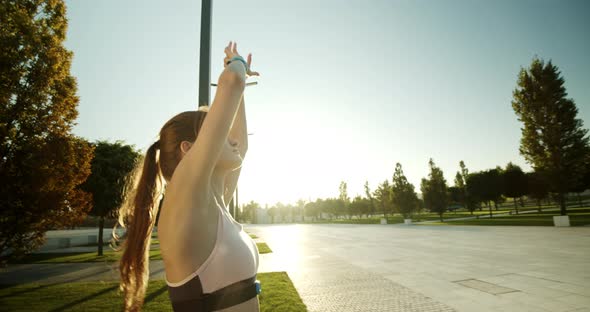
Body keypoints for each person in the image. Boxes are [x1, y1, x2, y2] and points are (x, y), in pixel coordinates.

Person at [114, 41, 261, 312]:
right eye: (216, 135)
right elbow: (231, 82)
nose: (231, 140)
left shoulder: (213, 205)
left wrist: (239, 95)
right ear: (189, 149)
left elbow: (241, 142)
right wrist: (236, 62)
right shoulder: (187, 200)